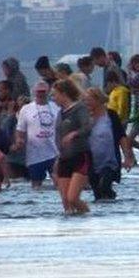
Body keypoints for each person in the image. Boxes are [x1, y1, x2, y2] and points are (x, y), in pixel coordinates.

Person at [84, 88, 134, 201]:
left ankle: (113, 202)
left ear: (98, 100)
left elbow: (121, 136)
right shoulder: (85, 118)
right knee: (97, 194)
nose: (86, 103)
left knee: (104, 186)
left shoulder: (111, 115)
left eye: (89, 100)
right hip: (91, 162)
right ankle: (104, 215)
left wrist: (127, 156)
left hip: (110, 161)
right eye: (85, 100)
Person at [51, 79, 92, 214]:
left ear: (64, 94)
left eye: (55, 95)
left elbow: (87, 127)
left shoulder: (79, 108)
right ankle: (71, 230)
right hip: (64, 158)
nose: (53, 98)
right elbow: (58, 137)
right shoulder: (60, 113)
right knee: (66, 203)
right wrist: (57, 159)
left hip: (80, 156)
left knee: (72, 198)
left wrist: (74, 133)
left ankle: (89, 217)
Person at [11, 81, 59, 188]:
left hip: (55, 153)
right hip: (35, 155)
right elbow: (20, 131)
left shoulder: (57, 107)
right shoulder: (26, 109)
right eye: (38, 91)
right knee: (36, 186)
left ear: (48, 92)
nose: (41, 94)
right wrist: (19, 141)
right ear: (34, 92)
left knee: (59, 183)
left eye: (43, 91)